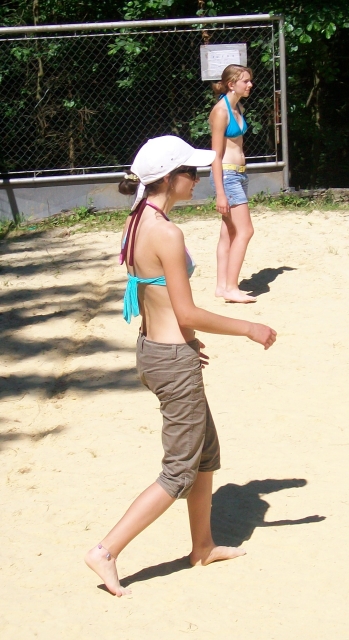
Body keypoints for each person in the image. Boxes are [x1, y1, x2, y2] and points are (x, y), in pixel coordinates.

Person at [85, 135, 277, 597]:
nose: (198, 179)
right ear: (169, 179)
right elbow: (186, 312)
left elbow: (156, 300)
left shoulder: (137, 218)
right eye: (191, 173)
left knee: (205, 453)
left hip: (156, 350)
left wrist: (184, 343)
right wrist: (248, 328)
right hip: (171, 360)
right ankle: (106, 551)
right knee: (179, 471)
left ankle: (202, 547)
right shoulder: (167, 233)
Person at [209, 64, 256, 303]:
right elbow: (215, 156)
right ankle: (231, 287)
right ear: (231, 84)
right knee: (245, 231)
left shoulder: (238, 107)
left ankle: (221, 286)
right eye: (245, 81)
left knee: (229, 231)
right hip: (227, 176)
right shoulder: (221, 111)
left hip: (238, 174)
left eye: (249, 80)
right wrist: (220, 192)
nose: (250, 85)